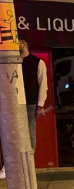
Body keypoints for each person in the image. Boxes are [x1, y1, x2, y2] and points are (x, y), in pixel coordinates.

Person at [0, 39, 48, 180]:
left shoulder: (37, 62)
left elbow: (43, 84)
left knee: (30, 132)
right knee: (10, 132)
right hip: (12, 103)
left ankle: (28, 162)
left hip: (29, 102)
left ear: (23, 44)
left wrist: (40, 104)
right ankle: (9, 165)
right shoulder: (12, 62)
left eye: (17, 43)